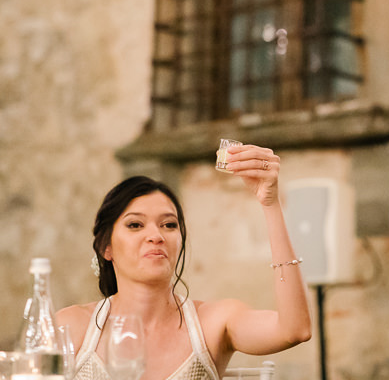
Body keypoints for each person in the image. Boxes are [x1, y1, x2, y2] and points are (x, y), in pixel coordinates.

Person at [57, 144, 312, 380]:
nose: (155, 236)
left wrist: (270, 204)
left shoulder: (211, 324)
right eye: (135, 225)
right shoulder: (71, 327)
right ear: (106, 247)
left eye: (168, 225)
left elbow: (294, 330)